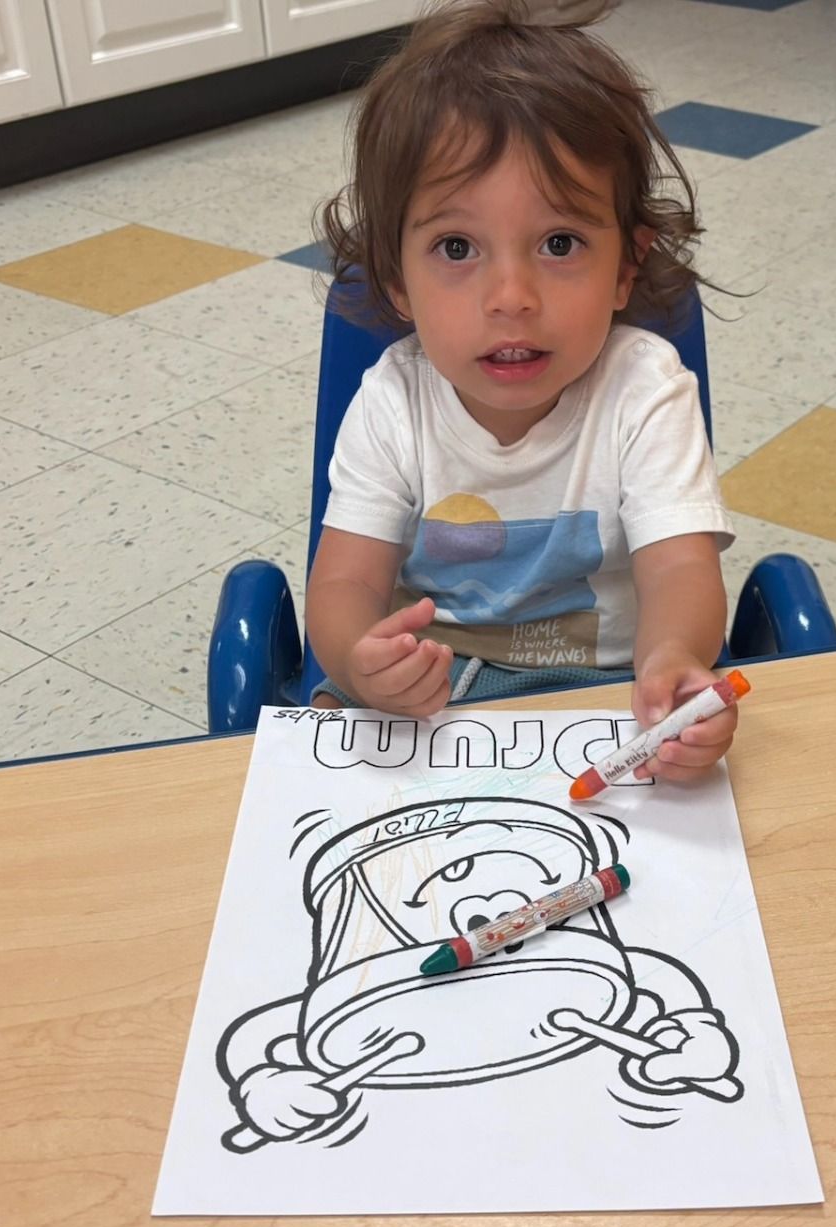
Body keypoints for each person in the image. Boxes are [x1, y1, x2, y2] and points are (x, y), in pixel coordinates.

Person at [308, 0, 737, 784]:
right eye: (458, 247)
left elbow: (680, 571)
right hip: (428, 695)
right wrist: (360, 660)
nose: (512, 295)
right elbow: (345, 582)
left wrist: (675, 657)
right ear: (398, 278)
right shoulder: (394, 399)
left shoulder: (645, 391)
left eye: (560, 243)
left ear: (627, 267)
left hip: (612, 692)